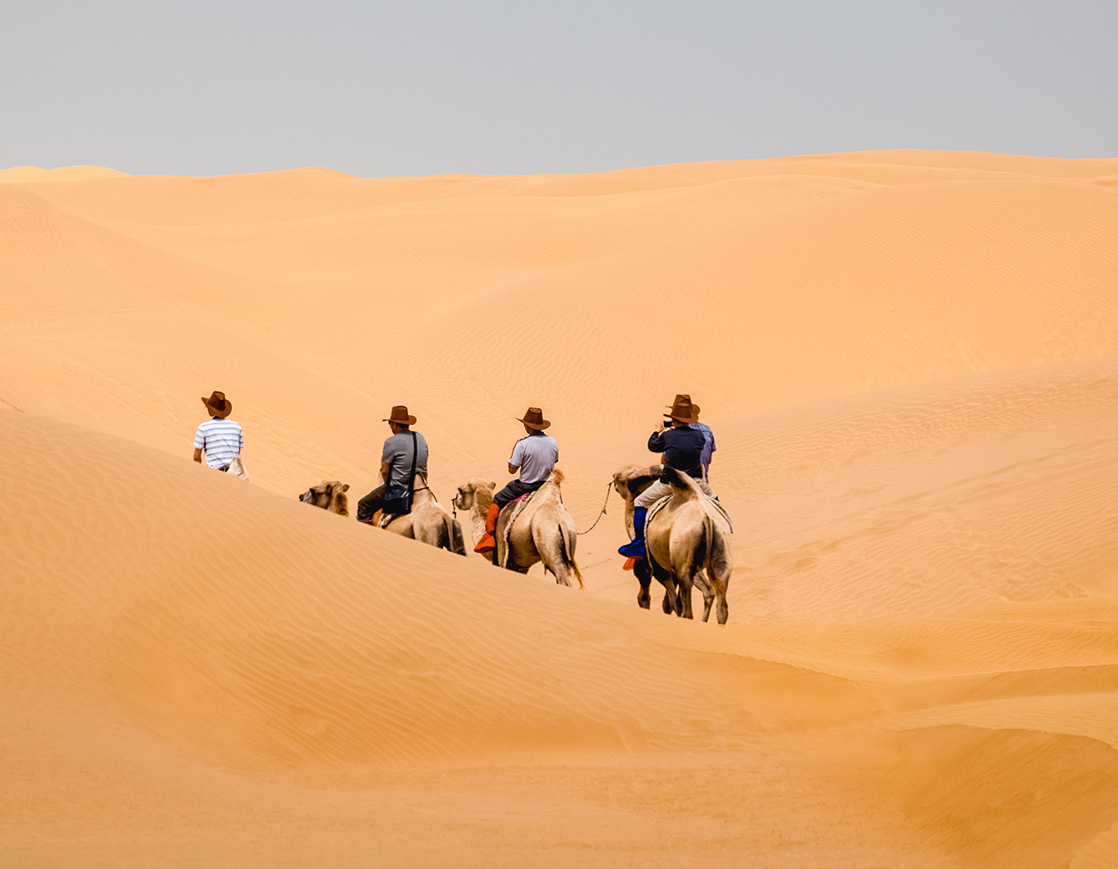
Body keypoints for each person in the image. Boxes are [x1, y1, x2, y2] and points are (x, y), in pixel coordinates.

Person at [618, 395, 714, 559]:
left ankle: (640, 544)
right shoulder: (700, 436)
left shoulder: (668, 436)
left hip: (671, 483)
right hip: (696, 482)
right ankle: (725, 525)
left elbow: (652, 445)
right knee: (713, 499)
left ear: (673, 420)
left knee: (640, 502)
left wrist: (658, 430)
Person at [474, 407, 559, 555]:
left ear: (527, 426)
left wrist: (515, 448)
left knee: (498, 499)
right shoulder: (552, 442)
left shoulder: (522, 444)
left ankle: (489, 536)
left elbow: (512, 469)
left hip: (526, 485)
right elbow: (555, 460)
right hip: (546, 485)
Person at [357, 405, 429, 524]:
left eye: (390, 424)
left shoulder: (391, 442)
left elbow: (385, 471)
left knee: (363, 505)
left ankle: (367, 535)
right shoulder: (420, 437)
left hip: (399, 488)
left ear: (394, 424)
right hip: (421, 487)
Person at [668, 393, 716, 481]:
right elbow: (708, 460)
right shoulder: (707, 430)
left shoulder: (674, 433)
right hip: (703, 480)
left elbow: (665, 462)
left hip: (683, 483)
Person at [193, 391, 244, 472]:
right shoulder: (236, 426)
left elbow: (196, 457)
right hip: (236, 472)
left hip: (216, 472)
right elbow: (237, 454)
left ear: (210, 411)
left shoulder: (203, 427)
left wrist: (197, 472)